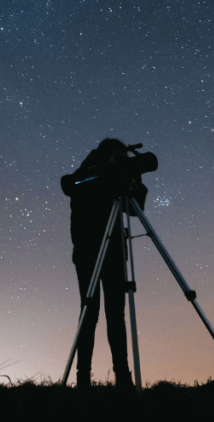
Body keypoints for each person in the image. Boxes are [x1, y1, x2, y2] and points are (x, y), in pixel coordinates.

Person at [60, 138, 158, 391]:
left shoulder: (120, 174)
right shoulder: (89, 172)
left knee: (116, 315)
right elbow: (73, 188)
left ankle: (123, 377)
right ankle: (83, 377)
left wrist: (133, 180)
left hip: (114, 252)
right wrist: (107, 178)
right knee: (89, 313)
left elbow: (136, 209)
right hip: (88, 251)